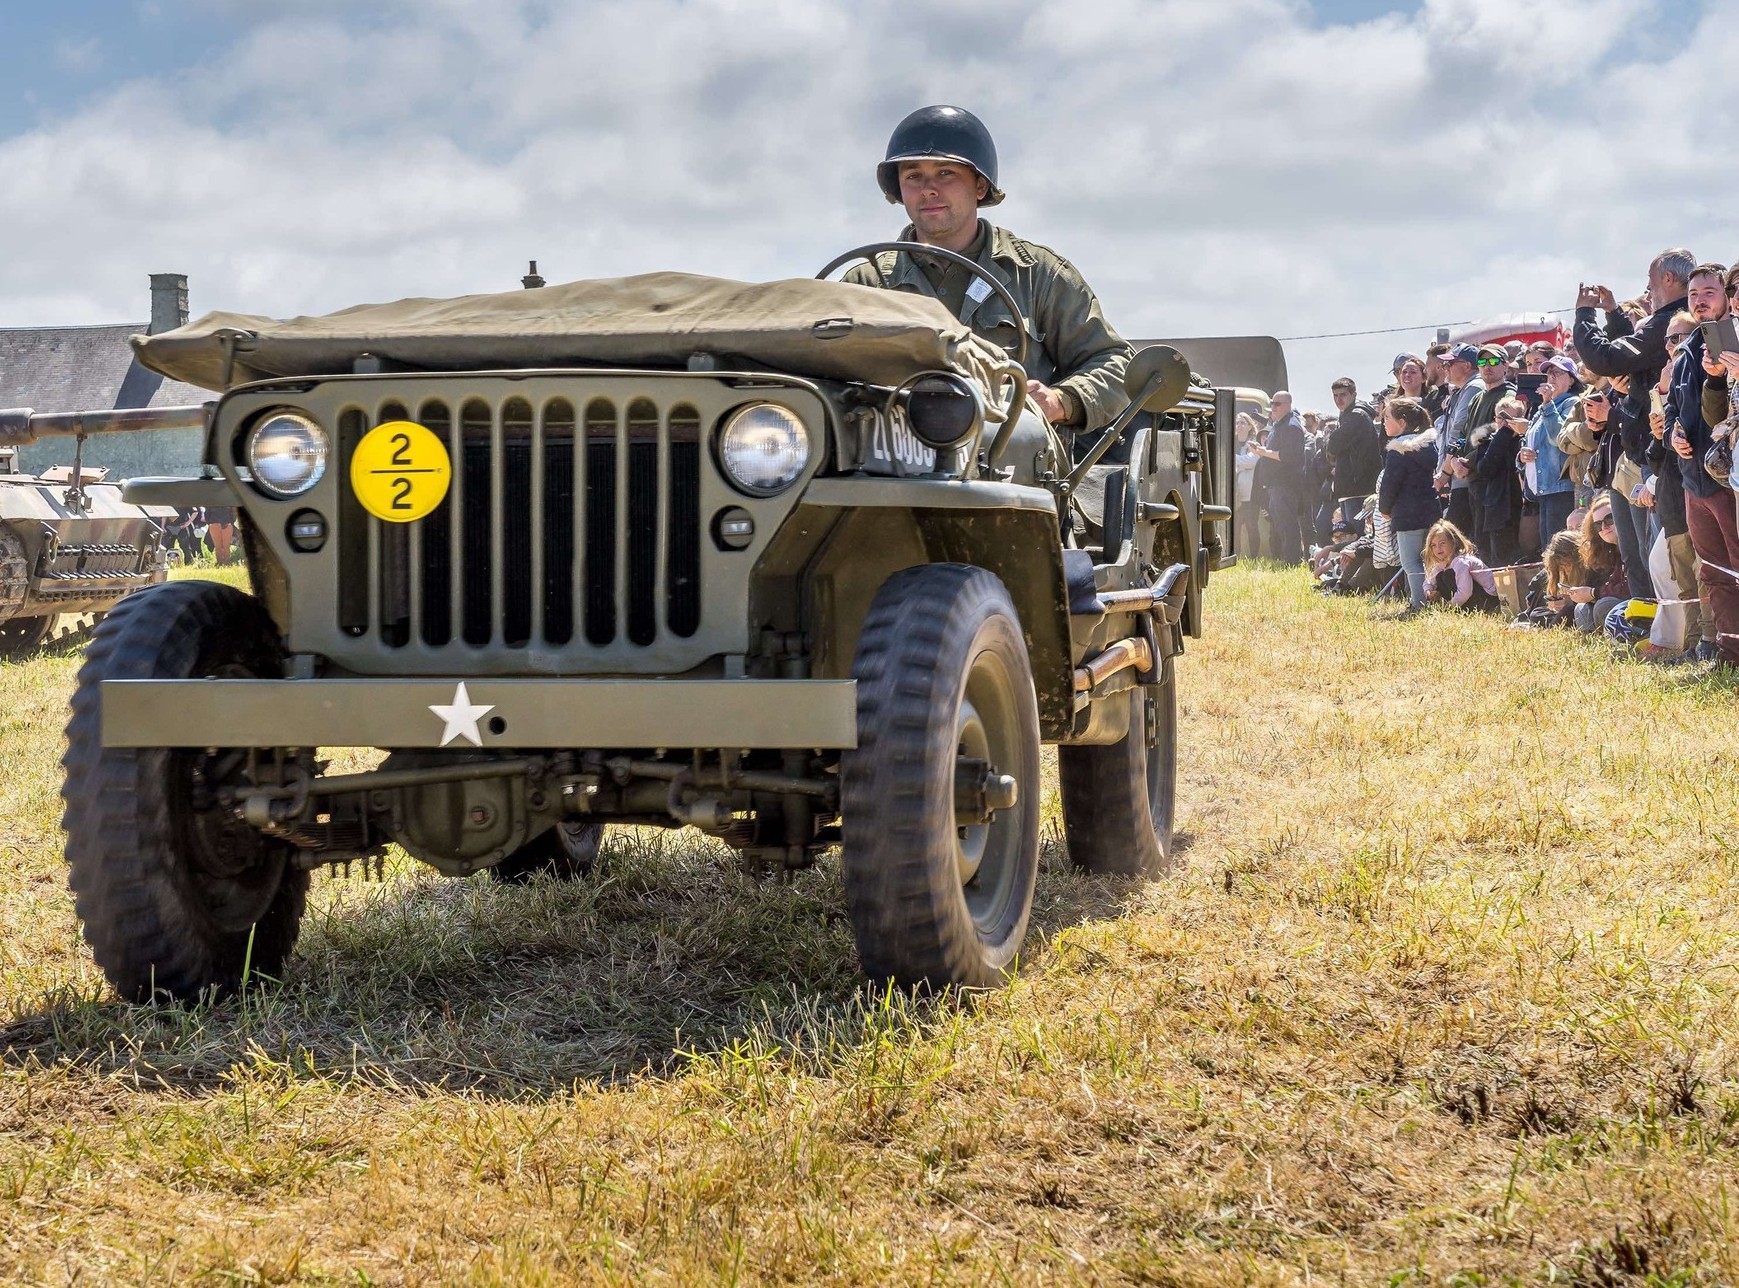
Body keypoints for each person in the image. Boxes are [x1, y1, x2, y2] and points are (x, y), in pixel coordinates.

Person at [850, 105, 1131, 437]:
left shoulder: (1037, 275)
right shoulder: (866, 284)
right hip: (891, 458)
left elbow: (1115, 362)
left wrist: (1060, 401)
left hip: (1011, 458)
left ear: (980, 186)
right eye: (913, 176)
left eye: (946, 173)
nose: (928, 189)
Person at [1575, 249, 1693, 598]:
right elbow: (1634, 352)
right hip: (1651, 454)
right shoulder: (1664, 325)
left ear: (1668, 279)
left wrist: (1584, 314)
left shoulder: (1670, 323)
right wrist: (1613, 314)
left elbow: (1607, 358)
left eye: (1650, 281)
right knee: (1649, 555)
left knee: (1663, 558)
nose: (1648, 289)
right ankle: (1657, 619)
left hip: (1664, 457)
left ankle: (1677, 623)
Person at [1666, 263, 1739, 667]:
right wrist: (1672, 435)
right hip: (1694, 481)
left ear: (1726, 295)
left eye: (1709, 292)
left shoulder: (1732, 339)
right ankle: (1730, 653)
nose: (1700, 301)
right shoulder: (1688, 348)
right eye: (1693, 294)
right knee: (1713, 572)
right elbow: (1674, 410)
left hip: (1727, 480)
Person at [1376, 397, 1440, 610]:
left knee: (1411, 561)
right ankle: (1433, 597)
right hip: (1430, 509)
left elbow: (1390, 483)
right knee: (1430, 558)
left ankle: (1418, 603)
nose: (1383, 422)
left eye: (1387, 417)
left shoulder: (1398, 449)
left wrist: (1384, 508)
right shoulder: (1428, 447)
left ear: (1402, 422)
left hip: (1407, 513)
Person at [1519, 355, 1582, 549]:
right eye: (1548, 373)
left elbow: (1559, 438)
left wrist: (1548, 404)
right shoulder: (1542, 408)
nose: (1551, 377)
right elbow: (1528, 441)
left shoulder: (1572, 403)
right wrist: (1521, 456)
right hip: (1544, 488)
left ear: (1571, 380)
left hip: (1562, 487)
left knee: (1560, 547)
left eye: (1558, 373)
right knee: (1548, 547)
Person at [1249, 391, 1309, 563]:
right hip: (1277, 484)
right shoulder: (1279, 425)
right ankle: (1289, 558)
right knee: (1281, 523)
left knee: (1287, 523)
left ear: (1288, 405)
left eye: (1277, 404)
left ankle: (1293, 560)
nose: (1273, 407)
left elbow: (1289, 455)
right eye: (1272, 403)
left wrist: (1263, 452)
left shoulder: (1291, 426)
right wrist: (1262, 450)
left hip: (1286, 484)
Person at [1435, 342, 1482, 533]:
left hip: (1465, 475)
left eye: (1449, 364)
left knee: (1456, 537)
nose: (1444, 368)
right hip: (1459, 476)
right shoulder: (1463, 389)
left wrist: (1445, 472)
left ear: (1467, 366)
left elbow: (1458, 432)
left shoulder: (1474, 387)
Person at [1328, 377, 1384, 528]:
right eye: (1335, 395)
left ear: (1354, 394)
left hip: (1358, 488)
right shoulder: (1347, 415)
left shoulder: (1356, 415)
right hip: (1351, 488)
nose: (1338, 399)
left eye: (1343, 394)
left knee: (1356, 535)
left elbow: (1333, 445)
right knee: (1349, 535)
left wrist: (1331, 442)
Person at [1422, 520, 1500, 612]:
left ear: (1453, 542)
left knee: (1448, 575)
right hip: (1471, 594)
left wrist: (1449, 607)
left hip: (1490, 597)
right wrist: (1428, 592)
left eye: (1442, 543)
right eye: (1433, 545)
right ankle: (1459, 607)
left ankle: (1469, 609)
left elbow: (1465, 592)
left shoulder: (1461, 562)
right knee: (1440, 577)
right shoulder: (1442, 564)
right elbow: (1429, 581)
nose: (1438, 548)